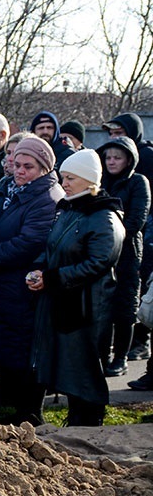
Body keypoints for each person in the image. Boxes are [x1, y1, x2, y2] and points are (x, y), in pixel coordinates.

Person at [0, 136, 63, 423]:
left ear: (44, 168)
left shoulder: (47, 197)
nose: (20, 170)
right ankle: (4, 396)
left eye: (28, 166)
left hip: (23, 284)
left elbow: (29, 242)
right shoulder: (8, 187)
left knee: (23, 346)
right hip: (0, 282)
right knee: (3, 341)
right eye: (18, 164)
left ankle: (29, 410)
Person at [29, 149, 125, 426]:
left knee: (83, 365)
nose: (64, 183)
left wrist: (54, 277)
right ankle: (76, 417)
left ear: (89, 181)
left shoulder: (104, 217)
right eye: (62, 177)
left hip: (87, 306)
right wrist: (40, 270)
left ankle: (89, 419)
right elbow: (53, 247)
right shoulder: (70, 209)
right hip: (65, 300)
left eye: (70, 178)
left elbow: (99, 262)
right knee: (68, 363)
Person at [95, 136, 150, 377]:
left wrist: (111, 233)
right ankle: (102, 356)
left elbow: (137, 219)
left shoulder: (138, 182)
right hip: (103, 254)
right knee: (103, 307)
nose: (111, 162)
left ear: (129, 160)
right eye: (108, 157)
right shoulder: (101, 181)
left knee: (125, 309)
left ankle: (120, 358)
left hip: (127, 253)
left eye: (117, 157)